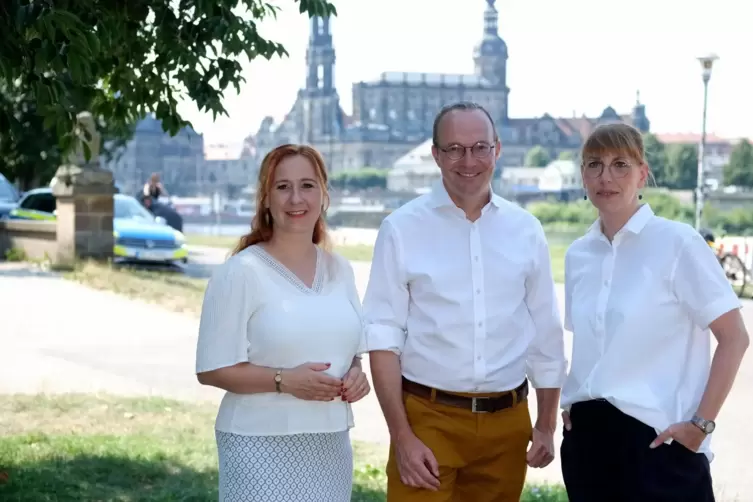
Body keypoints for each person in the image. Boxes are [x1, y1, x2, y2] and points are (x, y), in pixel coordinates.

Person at [362, 101, 567, 501]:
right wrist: (401, 436)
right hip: (428, 418)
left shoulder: (526, 231)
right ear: (436, 154)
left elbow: (546, 332)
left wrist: (545, 423)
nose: (468, 160)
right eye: (454, 148)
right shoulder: (401, 229)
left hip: (507, 425)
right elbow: (382, 338)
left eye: (479, 147)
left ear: (498, 150)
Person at [559, 123, 750, 502]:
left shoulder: (678, 243)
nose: (606, 176)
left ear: (642, 173)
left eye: (620, 164)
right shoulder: (578, 255)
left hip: (658, 447)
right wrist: (571, 407)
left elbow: (735, 338)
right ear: (583, 175)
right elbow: (591, 348)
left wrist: (701, 425)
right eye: (594, 164)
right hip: (587, 447)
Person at [194, 144, 371, 502]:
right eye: (282, 187)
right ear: (265, 199)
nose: (296, 198)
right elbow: (210, 369)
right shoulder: (240, 272)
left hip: (330, 442)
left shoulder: (341, 269)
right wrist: (284, 381)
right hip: (258, 442)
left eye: (307, 185)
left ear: (323, 195)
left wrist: (356, 374)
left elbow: (351, 351)